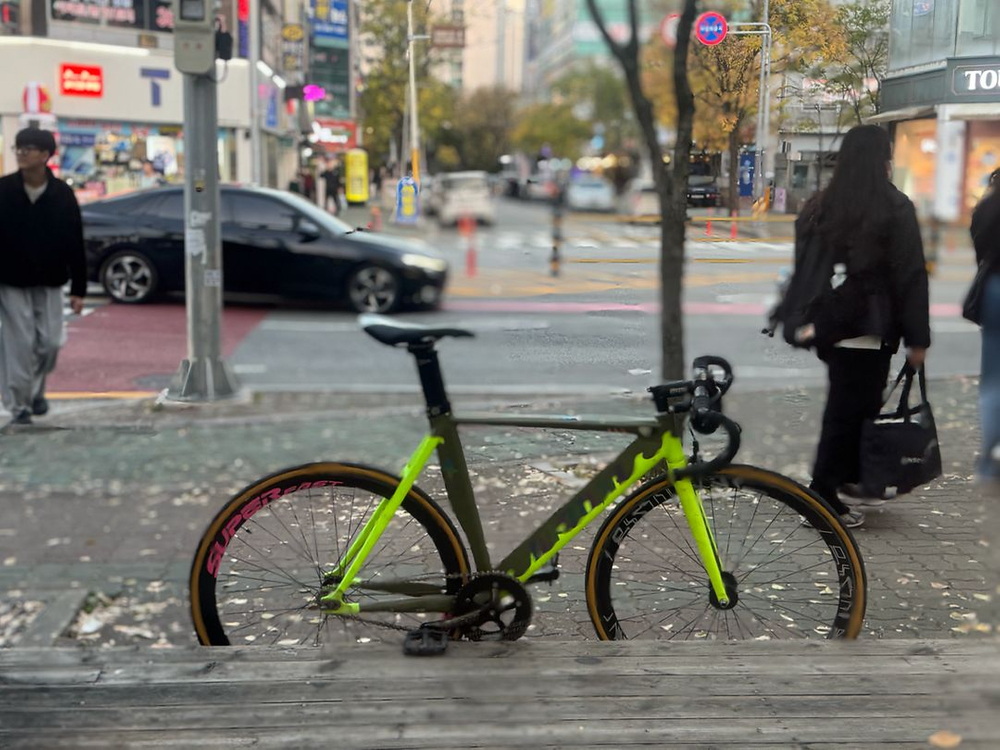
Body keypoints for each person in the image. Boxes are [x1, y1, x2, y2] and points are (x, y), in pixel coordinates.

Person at [783, 125, 930, 528]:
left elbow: (806, 270)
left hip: (829, 326)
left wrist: (807, 317)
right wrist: (918, 338)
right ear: (881, 159)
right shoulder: (893, 207)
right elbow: (910, 275)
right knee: (850, 412)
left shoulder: (820, 206)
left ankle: (845, 481)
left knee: (848, 407)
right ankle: (823, 496)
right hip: (869, 326)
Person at [0, 128, 87, 426]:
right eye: (19, 148)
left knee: (50, 343)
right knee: (18, 344)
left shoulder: (62, 194)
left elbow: (75, 241)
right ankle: (19, 406)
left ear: (45, 155)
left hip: (50, 279)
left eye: (29, 148)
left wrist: (78, 289)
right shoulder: (4, 189)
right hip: (10, 280)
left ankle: (35, 392)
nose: (22, 153)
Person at [971, 168, 1000, 483]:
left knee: (993, 381)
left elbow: (979, 246)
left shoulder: (990, 206)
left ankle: (990, 463)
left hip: (995, 290)